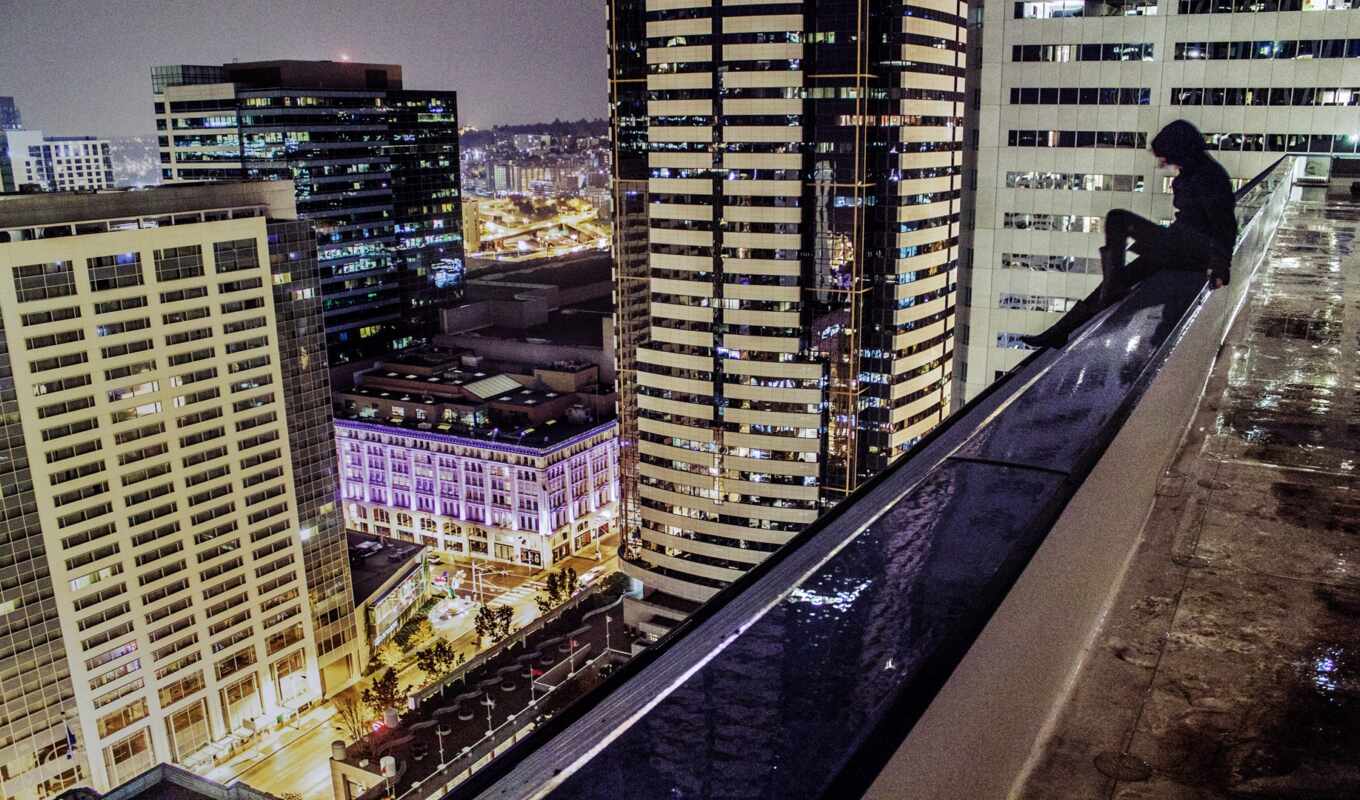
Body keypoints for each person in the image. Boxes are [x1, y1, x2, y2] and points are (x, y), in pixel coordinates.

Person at [1020, 120, 1237, 349]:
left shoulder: (1207, 176)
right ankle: (1061, 331)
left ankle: (1105, 295)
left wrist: (1220, 266)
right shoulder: (1195, 172)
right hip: (1179, 246)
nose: (1163, 162)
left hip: (1190, 249)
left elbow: (1224, 224)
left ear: (1179, 149)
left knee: (1117, 218)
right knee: (1114, 283)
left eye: (1165, 156)